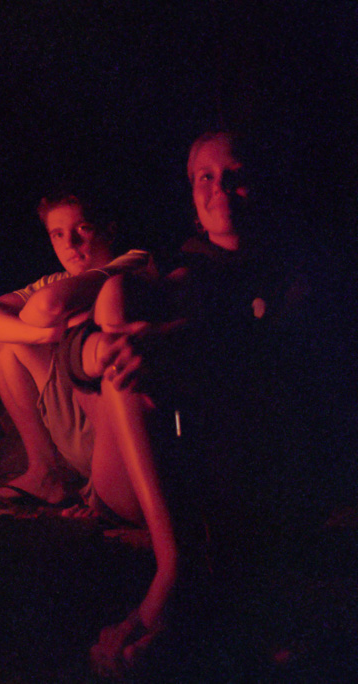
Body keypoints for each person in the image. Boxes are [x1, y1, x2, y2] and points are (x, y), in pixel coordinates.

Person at [68, 130, 313, 677]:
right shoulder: (168, 270)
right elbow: (72, 359)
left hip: (235, 467)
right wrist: (103, 349)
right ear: (192, 193)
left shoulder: (295, 272)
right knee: (116, 300)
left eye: (236, 176)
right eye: (207, 176)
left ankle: (199, 607)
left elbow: (281, 341)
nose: (220, 187)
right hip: (142, 475)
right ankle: (172, 566)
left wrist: (176, 338)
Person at [0, 192, 154, 506]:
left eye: (82, 229)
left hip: (120, 434)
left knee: (14, 330)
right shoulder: (57, 279)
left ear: (108, 230)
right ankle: (46, 472)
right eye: (57, 234)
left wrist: (44, 323)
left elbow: (50, 305)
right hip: (75, 423)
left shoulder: (133, 262)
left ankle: (98, 487)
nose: (69, 242)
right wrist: (48, 335)